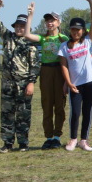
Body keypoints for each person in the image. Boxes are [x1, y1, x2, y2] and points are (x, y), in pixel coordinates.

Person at [0, 0, 41, 152]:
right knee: (7, 114)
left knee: (23, 114)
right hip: (8, 84)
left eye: (22, 26)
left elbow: (35, 65)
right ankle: (7, 143)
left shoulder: (30, 43)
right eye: (17, 26)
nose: (19, 28)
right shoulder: (8, 38)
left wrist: (31, 83)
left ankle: (23, 143)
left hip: (24, 84)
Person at [57, 0, 92, 151]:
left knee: (87, 111)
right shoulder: (64, 47)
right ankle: (73, 139)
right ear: (70, 30)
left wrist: (91, 3)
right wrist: (68, 83)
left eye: (78, 29)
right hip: (75, 84)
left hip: (90, 81)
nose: (75, 32)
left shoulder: (88, 40)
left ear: (83, 31)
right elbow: (64, 66)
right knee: (75, 112)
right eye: (73, 29)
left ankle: (84, 140)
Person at [26, 11, 68, 149]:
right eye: (47, 21)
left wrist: (67, 82)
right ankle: (48, 137)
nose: (50, 23)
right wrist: (31, 16)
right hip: (46, 71)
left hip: (60, 71)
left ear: (58, 22)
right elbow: (27, 35)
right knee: (47, 104)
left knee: (60, 105)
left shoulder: (64, 39)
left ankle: (57, 136)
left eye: (53, 20)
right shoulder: (43, 38)